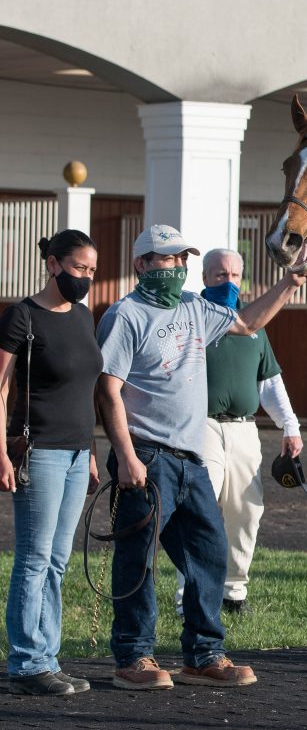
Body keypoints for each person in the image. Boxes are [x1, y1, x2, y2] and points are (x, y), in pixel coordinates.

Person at [95, 225, 307, 690]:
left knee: (208, 555)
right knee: (139, 558)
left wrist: (289, 283)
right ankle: (134, 656)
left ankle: (203, 653)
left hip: (191, 457)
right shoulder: (125, 315)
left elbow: (248, 323)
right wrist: (127, 455)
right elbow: (108, 390)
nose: (176, 268)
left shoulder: (194, 306)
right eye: (166, 260)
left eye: (180, 260)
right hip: (147, 455)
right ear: (141, 265)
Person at [0, 230, 102, 696]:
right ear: (54, 265)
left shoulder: (83, 316)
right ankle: (25, 663)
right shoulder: (22, 316)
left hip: (79, 453)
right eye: (80, 268)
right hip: (38, 451)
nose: (86, 277)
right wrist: (1, 452)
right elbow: (0, 388)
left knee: (57, 561)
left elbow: (89, 388)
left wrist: (94, 451)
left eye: (92, 271)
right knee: (35, 558)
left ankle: (47, 658)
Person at [174, 248, 303, 615]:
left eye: (234, 276)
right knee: (201, 510)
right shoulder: (193, 316)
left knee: (247, 510)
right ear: (205, 277)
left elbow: (270, 382)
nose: (228, 282)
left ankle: (233, 592)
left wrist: (289, 426)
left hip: (245, 430)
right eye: (220, 275)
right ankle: (190, 596)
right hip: (203, 427)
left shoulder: (254, 323)